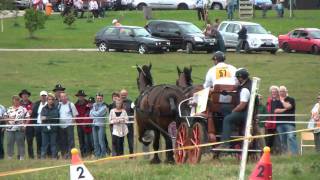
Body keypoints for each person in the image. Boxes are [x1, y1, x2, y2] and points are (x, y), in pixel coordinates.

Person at [219, 68, 251, 148]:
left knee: (227, 119)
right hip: (246, 111)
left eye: (236, 78)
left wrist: (233, 111)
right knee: (224, 108)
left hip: (245, 113)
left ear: (240, 78)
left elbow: (242, 105)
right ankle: (231, 128)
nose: (236, 80)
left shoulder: (244, 89)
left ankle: (225, 143)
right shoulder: (246, 85)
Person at [274, 86, 298, 155]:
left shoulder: (291, 99)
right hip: (279, 124)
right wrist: (285, 109)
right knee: (282, 140)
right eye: (280, 91)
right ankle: (285, 154)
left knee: (291, 137)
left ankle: (295, 154)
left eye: (282, 91)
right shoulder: (277, 101)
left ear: (286, 91)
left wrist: (282, 101)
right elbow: (276, 111)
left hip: (290, 123)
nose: (281, 92)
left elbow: (288, 106)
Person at [6, 95, 30, 160]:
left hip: (20, 129)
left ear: (19, 101)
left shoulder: (23, 109)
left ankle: (21, 157)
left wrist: (25, 125)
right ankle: (10, 157)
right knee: (9, 143)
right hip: (10, 129)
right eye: (15, 100)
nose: (16, 101)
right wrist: (8, 120)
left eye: (17, 100)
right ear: (12, 101)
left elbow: (28, 118)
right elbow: (5, 118)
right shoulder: (9, 109)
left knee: (21, 143)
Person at [58, 92, 78, 159]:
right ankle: (64, 155)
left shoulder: (71, 104)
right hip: (61, 126)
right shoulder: (59, 105)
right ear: (60, 98)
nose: (63, 98)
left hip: (69, 125)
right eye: (62, 97)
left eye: (64, 96)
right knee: (63, 141)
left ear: (67, 97)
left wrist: (72, 124)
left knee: (71, 141)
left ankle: (72, 155)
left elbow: (75, 115)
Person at [75, 90, 93, 157]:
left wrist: (86, 122)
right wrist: (80, 123)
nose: (81, 97)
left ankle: (89, 153)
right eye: (79, 96)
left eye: (82, 96)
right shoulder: (75, 105)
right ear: (78, 97)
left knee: (88, 140)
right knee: (81, 140)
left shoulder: (88, 103)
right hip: (79, 125)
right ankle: (83, 154)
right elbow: (76, 115)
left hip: (87, 125)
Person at [90, 92, 109, 158]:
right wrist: (93, 112)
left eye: (100, 98)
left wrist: (93, 112)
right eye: (98, 98)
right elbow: (90, 115)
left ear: (102, 98)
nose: (99, 99)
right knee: (95, 141)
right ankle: (97, 154)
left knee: (101, 141)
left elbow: (98, 114)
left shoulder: (104, 106)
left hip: (101, 125)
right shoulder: (94, 105)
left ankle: (103, 155)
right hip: (94, 124)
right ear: (96, 98)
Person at [40, 93, 59, 159]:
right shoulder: (43, 108)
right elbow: (42, 117)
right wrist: (49, 118)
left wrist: (47, 118)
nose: (50, 101)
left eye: (52, 99)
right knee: (44, 145)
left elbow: (55, 116)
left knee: (53, 144)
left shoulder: (56, 108)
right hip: (45, 129)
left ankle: (54, 157)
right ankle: (43, 158)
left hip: (53, 129)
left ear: (53, 100)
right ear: (47, 100)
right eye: (49, 99)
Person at [265, 85, 282, 154]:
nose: (274, 93)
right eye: (272, 92)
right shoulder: (268, 101)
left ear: (278, 93)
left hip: (278, 122)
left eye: (275, 92)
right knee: (269, 139)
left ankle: (280, 152)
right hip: (270, 123)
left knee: (279, 138)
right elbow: (267, 110)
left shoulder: (280, 101)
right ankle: (268, 152)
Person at [31, 90, 48, 159]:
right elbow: (33, 114)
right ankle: (39, 154)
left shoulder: (49, 104)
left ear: (46, 97)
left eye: (44, 96)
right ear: (40, 97)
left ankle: (46, 154)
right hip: (37, 124)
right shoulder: (37, 104)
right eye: (42, 96)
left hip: (45, 125)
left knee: (46, 140)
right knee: (38, 140)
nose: (43, 97)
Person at [19, 89, 34, 159]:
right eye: (23, 94)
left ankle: (31, 157)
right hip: (20, 126)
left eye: (26, 94)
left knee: (30, 142)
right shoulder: (18, 104)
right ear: (21, 96)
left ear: (28, 96)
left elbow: (32, 113)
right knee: (20, 142)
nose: (25, 95)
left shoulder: (32, 104)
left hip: (29, 126)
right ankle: (20, 157)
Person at [120, 89, 134, 155]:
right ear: (120, 95)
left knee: (130, 141)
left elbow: (134, 112)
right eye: (122, 95)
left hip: (129, 125)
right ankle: (121, 154)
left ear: (127, 95)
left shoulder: (130, 102)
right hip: (120, 125)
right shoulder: (118, 102)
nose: (123, 96)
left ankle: (131, 154)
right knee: (120, 141)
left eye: (124, 95)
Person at [108, 92, 120, 156]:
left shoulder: (120, 105)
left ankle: (119, 153)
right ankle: (114, 153)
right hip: (112, 125)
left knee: (119, 139)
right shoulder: (110, 105)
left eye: (116, 97)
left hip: (119, 125)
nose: (115, 98)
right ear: (112, 98)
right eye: (114, 97)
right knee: (113, 139)